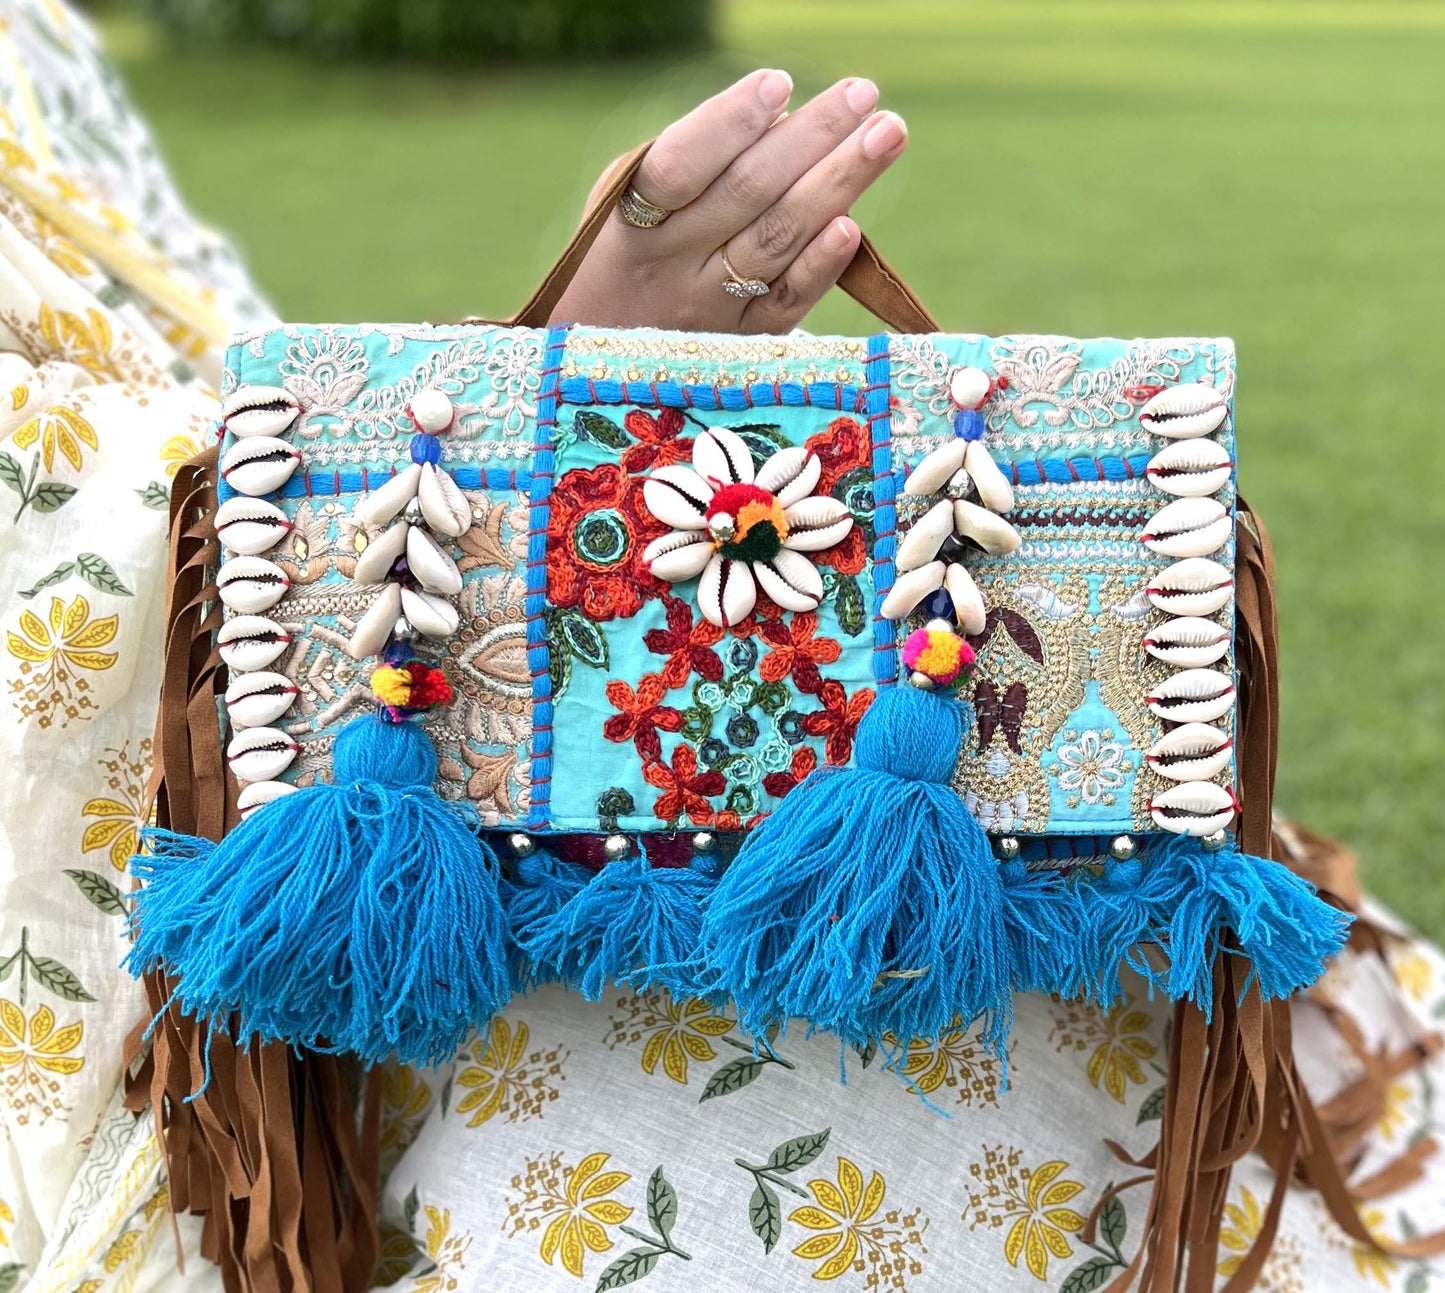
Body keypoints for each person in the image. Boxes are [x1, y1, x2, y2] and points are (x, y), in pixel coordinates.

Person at [2, 8, 1441, 1288]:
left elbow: (211, 354)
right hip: (464, 878)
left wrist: (524, 389)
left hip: (947, 838)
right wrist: (538, 387)